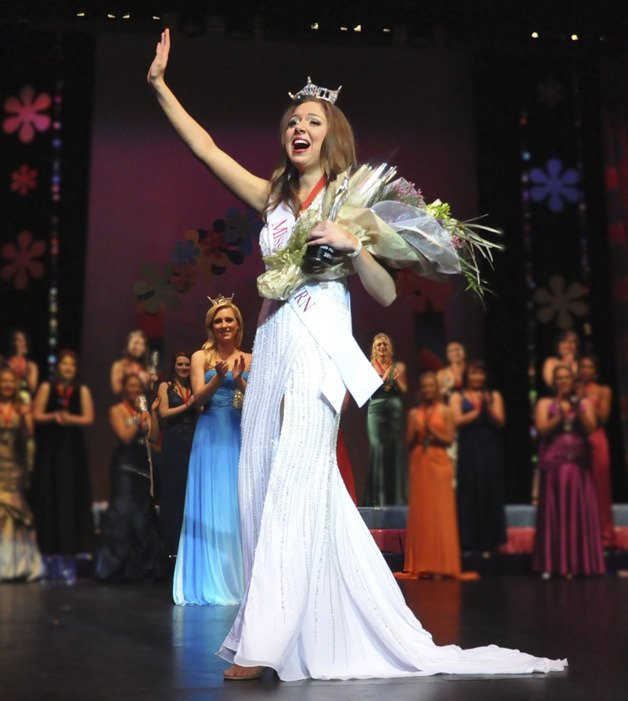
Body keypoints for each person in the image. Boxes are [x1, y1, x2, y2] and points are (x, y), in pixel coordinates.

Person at [148, 28, 566, 680]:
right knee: (258, 481)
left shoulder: (354, 199)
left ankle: (262, 641)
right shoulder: (273, 197)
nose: (298, 127)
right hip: (275, 337)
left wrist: (353, 244)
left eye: (311, 120)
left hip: (322, 344)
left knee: (295, 478)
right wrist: (159, 87)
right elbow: (206, 149)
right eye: (291, 120)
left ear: (331, 133)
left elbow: (386, 290)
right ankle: (305, 621)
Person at [173, 299, 250, 605]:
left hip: (237, 432)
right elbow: (197, 400)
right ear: (211, 326)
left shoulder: (250, 357)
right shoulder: (199, 357)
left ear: (238, 325)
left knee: (236, 503)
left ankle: (239, 577)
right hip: (209, 432)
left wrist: (241, 377)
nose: (224, 326)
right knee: (211, 501)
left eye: (229, 320)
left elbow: (255, 399)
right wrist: (218, 376)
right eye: (218, 321)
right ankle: (207, 578)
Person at [533, 365, 605, 578]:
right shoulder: (545, 402)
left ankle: (579, 563)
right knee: (555, 513)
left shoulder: (583, 403)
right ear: (554, 382)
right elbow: (542, 429)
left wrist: (578, 407)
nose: (563, 382)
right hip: (555, 465)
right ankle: (552, 563)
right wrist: (560, 415)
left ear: (572, 382)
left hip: (578, 466)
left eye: (567, 378)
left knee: (577, 512)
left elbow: (591, 428)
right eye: (559, 378)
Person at [94, 374, 163, 581]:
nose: (134, 390)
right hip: (124, 469)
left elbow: (153, 437)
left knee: (142, 519)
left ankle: (143, 570)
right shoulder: (116, 410)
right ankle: (113, 569)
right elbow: (124, 437)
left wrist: (152, 412)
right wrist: (137, 419)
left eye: (137, 387)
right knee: (122, 517)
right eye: (130, 386)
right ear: (124, 388)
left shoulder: (143, 411)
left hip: (142, 468)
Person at [399, 372, 464, 578]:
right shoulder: (413, 413)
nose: (428, 390)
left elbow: (449, 440)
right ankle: (424, 564)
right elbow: (408, 444)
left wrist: (431, 431)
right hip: (420, 463)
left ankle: (442, 565)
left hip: (439, 463)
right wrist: (417, 432)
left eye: (431, 386)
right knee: (422, 512)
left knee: (440, 512)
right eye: (424, 386)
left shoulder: (445, 411)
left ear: (436, 389)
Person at [31, 350, 95, 555]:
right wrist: (54, 416)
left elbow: (88, 418)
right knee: (50, 491)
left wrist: (69, 419)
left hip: (73, 449)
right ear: (58, 366)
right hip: (51, 449)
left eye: (72, 365)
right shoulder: (46, 387)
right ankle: (48, 545)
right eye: (65, 364)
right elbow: (37, 415)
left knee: (71, 493)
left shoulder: (81, 390)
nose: (68, 368)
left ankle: (73, 545)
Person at [450, 360, 507, 556]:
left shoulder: (494, 395)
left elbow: (500, 421)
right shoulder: (458, 396)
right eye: (473, 373)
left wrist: (487, 407)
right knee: (469, 491)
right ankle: (468, 542)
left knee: (489, 490)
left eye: (480, 374)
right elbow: (456, 420)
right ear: (467, 375)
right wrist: (477, 411)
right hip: (468, 448)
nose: (477, 378)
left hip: (489, 446)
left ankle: (489, 542)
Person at [0, 367, 43, 581]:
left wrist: (26, 415)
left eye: (10, 381)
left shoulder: (20, 408)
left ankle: (16, 565)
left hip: (13, 467)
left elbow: (29, 436)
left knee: (14, 511)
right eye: (3, 381)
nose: (7, 385)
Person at [155, 352, 197, 557]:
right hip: (173, 441)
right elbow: (163, 413)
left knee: (187, 492)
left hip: (191, 440)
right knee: (171, 492)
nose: (184, 367)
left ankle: (186, 546)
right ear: (174, 366)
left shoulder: (193, 387)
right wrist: (187, 405)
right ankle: (169, 546)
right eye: (180, 364)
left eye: (187, 364)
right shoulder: (166, 386)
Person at [576, 355, 615, 548]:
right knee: (579, 486)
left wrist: (588, 400)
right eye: (582, 366)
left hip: (597, 438)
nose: (585, 370)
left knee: (600, 485)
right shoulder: (571, 389)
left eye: (589, 367)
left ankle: (605, 535)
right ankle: (582, 534)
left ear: (595, 371)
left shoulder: (603, 390)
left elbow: (604, 417)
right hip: (576, 439)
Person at [365, 332, 407, 505]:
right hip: (375, 409)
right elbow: (364, 393)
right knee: (378, 449)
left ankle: (396, 498)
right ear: (374, 348)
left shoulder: (398, 367)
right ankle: (377, 499)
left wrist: (398, 380)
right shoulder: (368, 367)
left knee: (393, 449)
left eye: (385, 344)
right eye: (379, 344)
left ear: (389, 347)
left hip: (393, 409)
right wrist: (382, 379)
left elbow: (405, 390)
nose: (382, 347)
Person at [110, 330, 156, 395]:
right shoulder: (119, 365)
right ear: (128, 344)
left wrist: (150, 381)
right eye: (136, 343)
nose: (139, 347)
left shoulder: (145, 367)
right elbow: (116, 389)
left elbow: (150, 390)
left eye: (142, 344)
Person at [6, 329, 39, 400]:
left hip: (25, 401)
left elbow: (32, 389)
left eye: (23, 340)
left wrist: (25, 372)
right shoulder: (5, 363)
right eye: (18, 340)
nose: (21, 343)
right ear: (12, 342)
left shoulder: (31, 365)